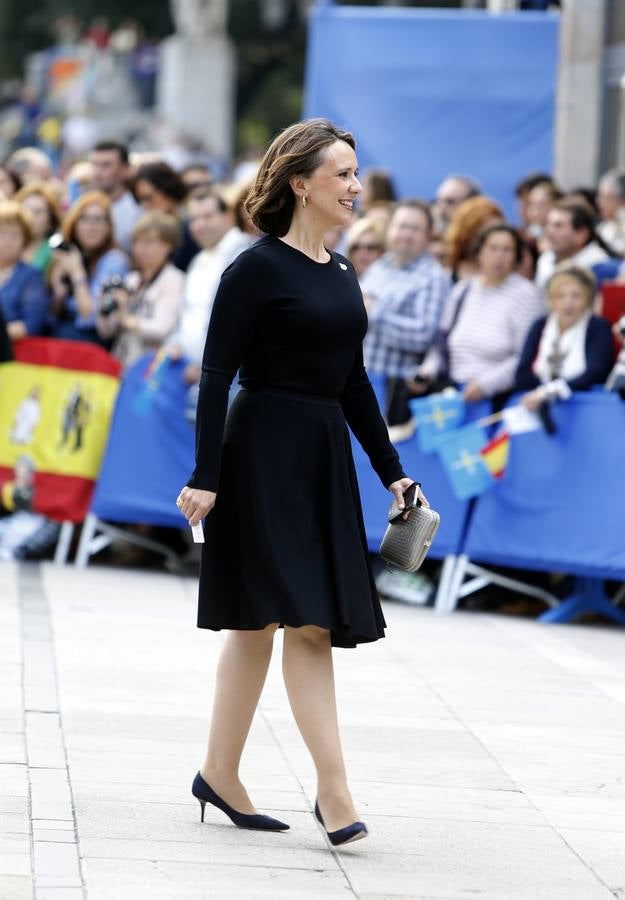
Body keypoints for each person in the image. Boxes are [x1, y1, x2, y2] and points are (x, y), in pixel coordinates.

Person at [176, 118, 425, 846]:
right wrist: (206, 474)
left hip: (320, 457)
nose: (356, 186)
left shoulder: (343, 271)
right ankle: (331, 792)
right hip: (258, 454)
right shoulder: (252, 269)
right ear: (299, 183)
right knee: (269, 621)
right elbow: (217, 373)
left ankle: (224, 774)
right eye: (343, 173)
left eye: (355, 173)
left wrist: (392, 473)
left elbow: (351, 381)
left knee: (299, 622)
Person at [412, 225, 544, 403]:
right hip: (453, 394)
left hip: (496, 398)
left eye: (507, 250)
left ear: (516, 257)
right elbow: (441, 346)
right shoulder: (462, 290)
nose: (499, 256)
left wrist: (485, 385)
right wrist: (426, 372)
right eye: (493, 248)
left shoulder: (527, 295)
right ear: (479, 253)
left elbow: (525, 357)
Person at [361, 199, 450, 424]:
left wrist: (375, 311)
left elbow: (422, 336)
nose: (406, 234)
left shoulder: (433, 277)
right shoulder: (380, 266)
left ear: (428, 235)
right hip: (360, 380)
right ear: (390, 229)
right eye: (401, 226)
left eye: (415, 228)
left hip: (395, 391)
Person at [165, 188, 252, 384]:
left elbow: (237, 322)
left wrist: (206, 364)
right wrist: (176, 344)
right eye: (194, 219)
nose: (200, 225)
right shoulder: (197, 260)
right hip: (190, 373)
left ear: (228, 217)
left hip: (228, 377)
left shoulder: (245, 255)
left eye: (207, 217)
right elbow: (188, 314)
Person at [515, 265, 614, 407]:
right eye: (560, 296)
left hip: (583, 405)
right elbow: (522, 374)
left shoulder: (597, 327)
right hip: (537, 404)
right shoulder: (540, 325)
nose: (568, 303)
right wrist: (541, 392)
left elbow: (596, 373)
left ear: (587, 300)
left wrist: (551, 391)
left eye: (576, 296)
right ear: (552, 301)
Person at [96, 212, 185, 368]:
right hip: (121, 362)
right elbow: (106, 332)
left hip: (150, 368)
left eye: (148, 242)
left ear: (168, 246)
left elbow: (162, 328)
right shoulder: (132, 279)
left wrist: (125, 316)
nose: (140, 248)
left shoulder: (174, 279)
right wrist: (104, 306)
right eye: (136, 242)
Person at [48, 191, 129, 344]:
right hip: (60, 336)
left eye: (98, 220)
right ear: (74, 224)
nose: (91, 226)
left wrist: (77, 274)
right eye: (84, 219)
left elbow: (90, 318)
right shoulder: (70, 253)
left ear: (109, 227)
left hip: (90, 342)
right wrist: (59, 291)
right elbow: (51, 316)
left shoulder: (115, 261)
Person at [133, 160, 199, 270]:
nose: (145, 205)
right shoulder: (148, 227)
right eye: (140, 200)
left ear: (166, 189)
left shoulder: (192, 223)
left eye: (148, 197)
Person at [535, 200, 616, 290]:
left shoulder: (605, 270)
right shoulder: (545, 260)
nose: (549, 231)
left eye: (558, 226)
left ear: (581, 235)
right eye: (548, 224)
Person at [0, 202, 49, 339]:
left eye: (15, 235)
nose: (7, 241)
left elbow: (31, 325)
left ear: (24, 241)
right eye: (2, 233)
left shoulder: (31, 276)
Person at [90, 140, 141, 253]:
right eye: (94, 164)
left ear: (125, 170)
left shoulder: (138, 211)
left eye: (106, 165)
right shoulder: (82, 206)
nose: (98, 172)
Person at [445, 195, 504, 282]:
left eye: (499, 231)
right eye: (485, 233)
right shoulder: (446, 277)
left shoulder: (511, 279)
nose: (493, 240)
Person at [15, 182, 61, 277]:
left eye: (38, 212)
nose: (30, 216)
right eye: (26, 210)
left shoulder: (55, 253)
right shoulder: (5, 245)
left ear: (50, 219)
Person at [596, 169, 625, 257]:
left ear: (622, 200)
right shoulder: (602, 228)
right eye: (599, 197)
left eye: (606, 198)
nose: (599, 202)